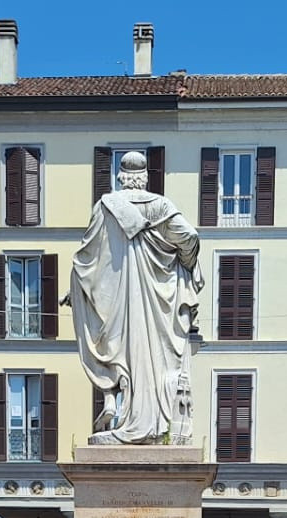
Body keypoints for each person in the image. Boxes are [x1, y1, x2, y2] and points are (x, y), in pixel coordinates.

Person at [70, 148, 204, 445]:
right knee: (155, 361)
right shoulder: (161, 206)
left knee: (124, 354)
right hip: (158, 302)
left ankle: (123, 413)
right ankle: (152, 426)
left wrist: (78, 291)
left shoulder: (106, 206)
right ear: (144, 178)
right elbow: (190, 237)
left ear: (121, 177)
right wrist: (181, 262)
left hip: (120, 303)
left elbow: (86, 258)